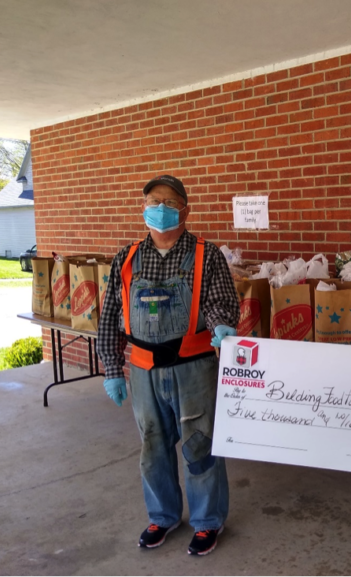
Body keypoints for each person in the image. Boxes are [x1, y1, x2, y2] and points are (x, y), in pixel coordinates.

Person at [97, 175, 240, 556]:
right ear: (143, 208)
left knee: (200, 444)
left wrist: (222, 323)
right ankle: (162, 515)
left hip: (193, 367)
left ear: (185, 210)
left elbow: (220, 300)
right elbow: (110, 315)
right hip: (143, 370)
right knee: (153, 446)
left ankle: (208, 521)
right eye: (153, 201)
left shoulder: (206, 255)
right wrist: (112, 368)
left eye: (169, 201)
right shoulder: (126, 259)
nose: (160, 208)